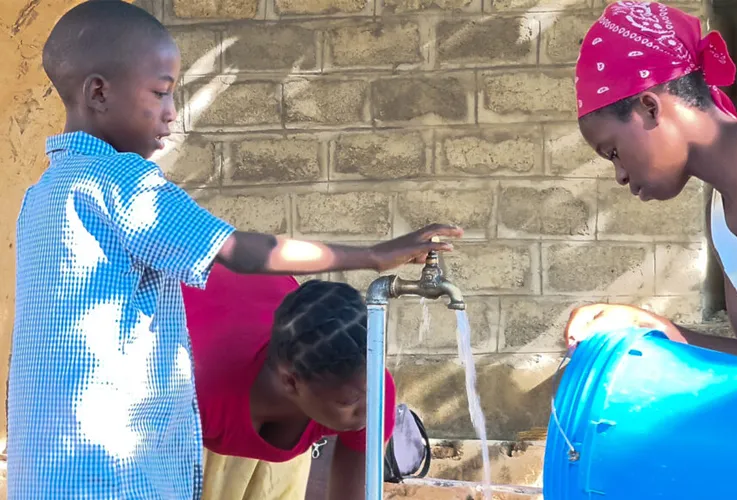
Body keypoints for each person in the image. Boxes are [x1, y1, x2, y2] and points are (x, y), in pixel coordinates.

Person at [10, 1, 462, 498]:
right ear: (99, 92)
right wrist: (373, 256)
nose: (171, 113)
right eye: (161, 93)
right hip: (118, 465)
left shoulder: (41, 194)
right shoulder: (123, 183)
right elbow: (239, 251)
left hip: (47, 461)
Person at [564, 1, 737, 369]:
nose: (620, 175)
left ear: (649, 107)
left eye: (613, 151)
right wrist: (650, 326)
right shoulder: (722, 225)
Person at [182, 266, 394, 500]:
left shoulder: (371, 389)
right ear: (291, 382)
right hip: (189, 301)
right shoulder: (196, 393)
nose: (370, 410)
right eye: (348, 402)